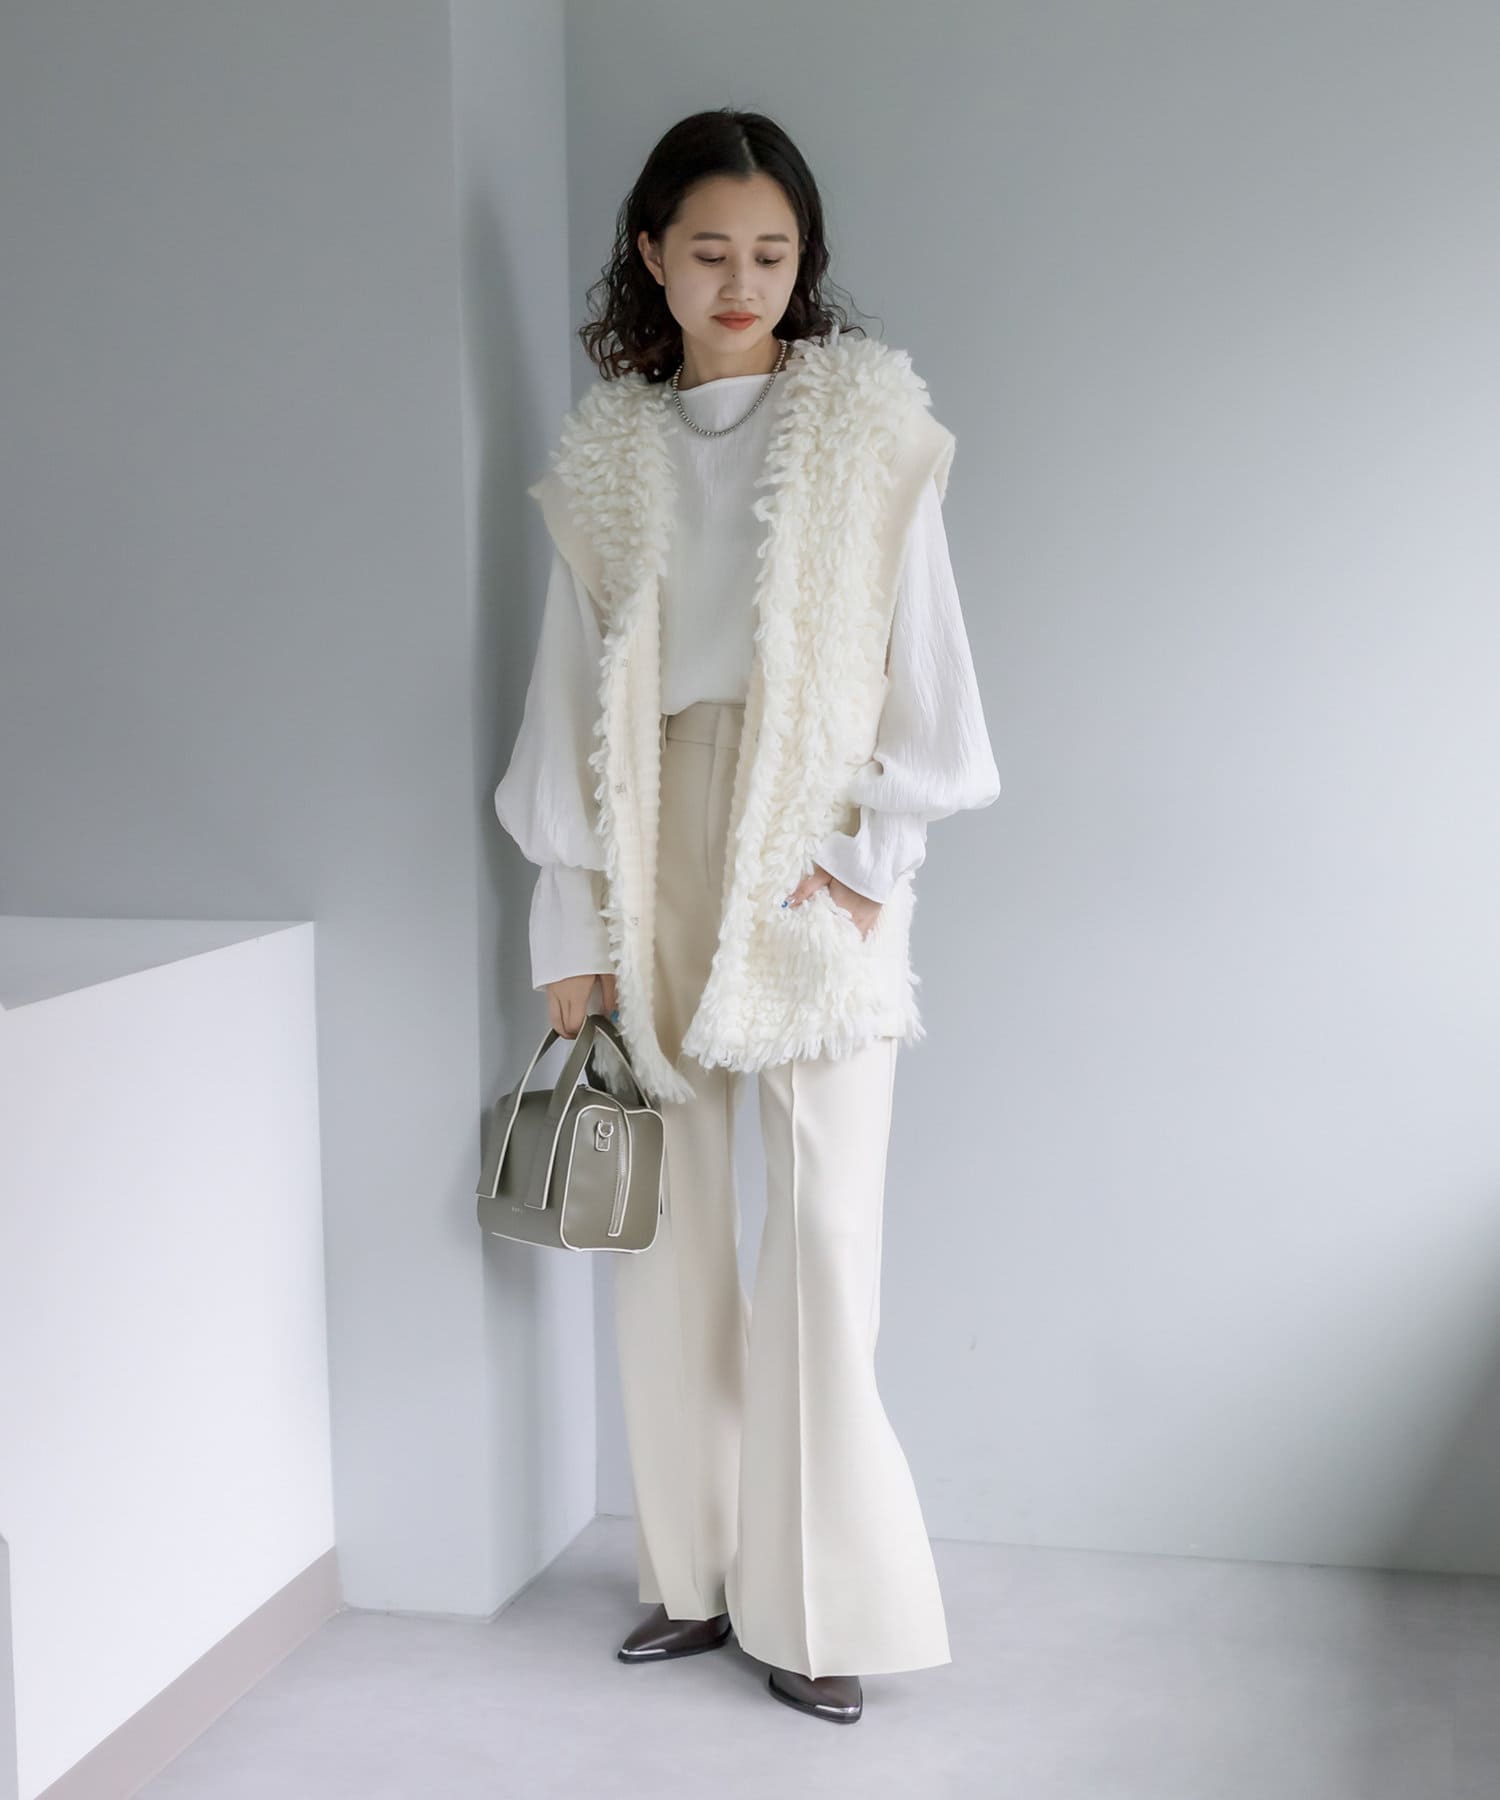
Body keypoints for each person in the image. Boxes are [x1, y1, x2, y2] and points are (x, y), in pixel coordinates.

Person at [494, 108, 1000, 1726]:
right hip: (655, 831)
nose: (741, 281)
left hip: (812, 841)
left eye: (772, 254)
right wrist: (569, 924)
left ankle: (821, 1600)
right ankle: (698, 1577)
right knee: (672, 1232)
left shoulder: (871, 435)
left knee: (827, 1232)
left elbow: (936, 693)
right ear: (651, 254)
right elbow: (568, 703)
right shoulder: (613, 458)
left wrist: (860, 864)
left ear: (804, 264)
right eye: (709, 249)